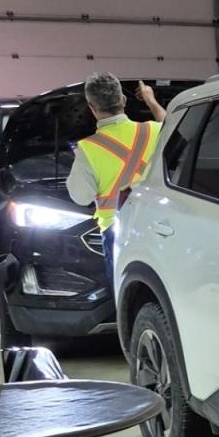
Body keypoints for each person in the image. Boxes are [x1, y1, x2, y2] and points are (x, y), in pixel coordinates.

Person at [66, 74, 164, 284]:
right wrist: (150, 100)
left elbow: (80, 197)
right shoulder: (153, 130)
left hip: (117, 231)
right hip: (158, 226)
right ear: (124, 100)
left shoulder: (88, 148)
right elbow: (174, 126)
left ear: (92, 108)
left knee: (127, 297)